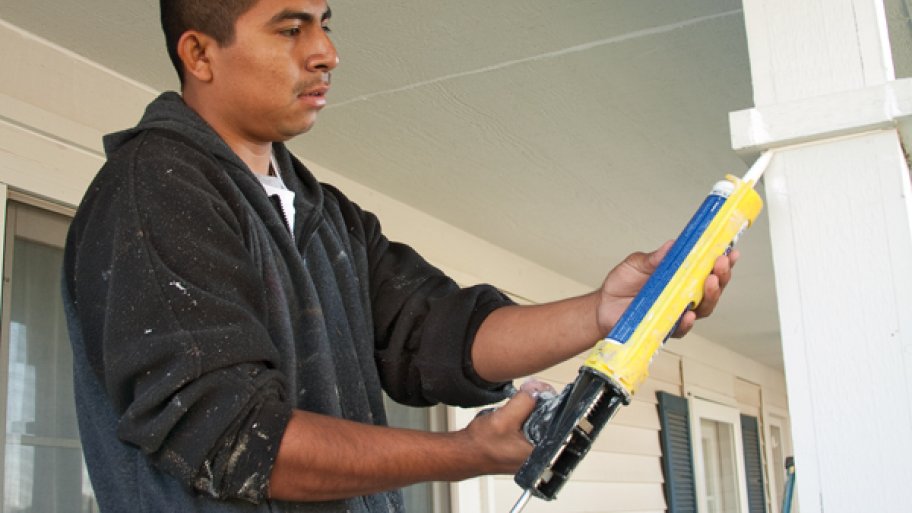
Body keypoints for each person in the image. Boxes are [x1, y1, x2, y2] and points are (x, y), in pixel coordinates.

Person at [61, 1, 736, 512]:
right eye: (290, 28)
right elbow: (238, 438)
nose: (326, 52)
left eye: (325, 24)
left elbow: (436, 334)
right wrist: (466, 453)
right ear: (200, 54)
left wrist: (604, 311)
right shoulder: (154, 187)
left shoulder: (324, 214)